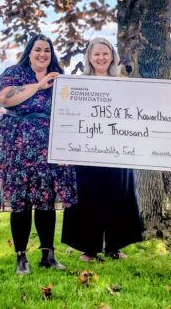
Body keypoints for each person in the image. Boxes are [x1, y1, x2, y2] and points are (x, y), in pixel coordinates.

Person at [0, 34, 77, 275]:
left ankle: (48, 255)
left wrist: (67, 146)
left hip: (48, 145)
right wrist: (38, 85)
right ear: (29, 52)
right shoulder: (14, 73)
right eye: (38, 49)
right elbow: (4, 98)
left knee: (46, 200)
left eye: (47, 50)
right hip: (17, 144)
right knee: (20, 201)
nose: (42, 54)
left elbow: (70, 111)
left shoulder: (59, 76)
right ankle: (21, 257)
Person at [61, 37, 143, 261]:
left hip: (118, 150)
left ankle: (115, 246)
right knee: (89, 197)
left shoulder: (124, 84)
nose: (101, 58)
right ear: (89, 57)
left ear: (112, 57)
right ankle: (89, 249)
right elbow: (68, 117)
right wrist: (64, 148)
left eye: (105, 53)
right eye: (96, 54)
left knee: (119, 196)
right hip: (86, 150)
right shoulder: (78, 85)